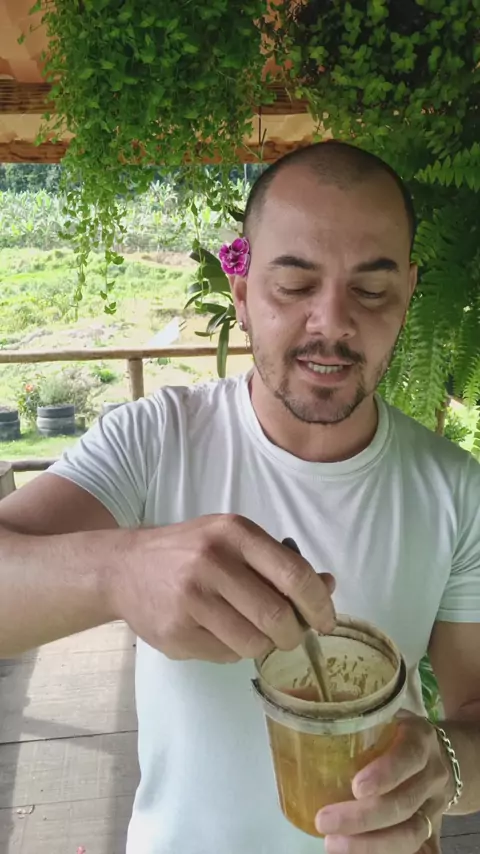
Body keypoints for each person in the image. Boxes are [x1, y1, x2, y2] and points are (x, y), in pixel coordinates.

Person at [0, 141, 479, 854]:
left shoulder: (456, 491)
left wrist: (444, 767)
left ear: (408, 294)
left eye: (372, 290)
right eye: (294, 284)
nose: (332, 322)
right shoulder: (155, 441)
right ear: (243, 292)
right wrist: (117, 571)